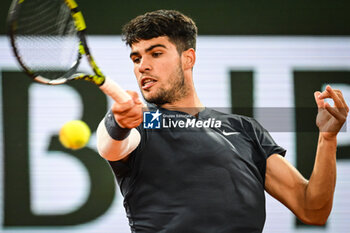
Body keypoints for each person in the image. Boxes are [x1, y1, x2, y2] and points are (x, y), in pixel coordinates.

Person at [96, 9, 349, 233]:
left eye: (156, 53)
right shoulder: (143, 121)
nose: (143, 66)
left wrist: (327, 138)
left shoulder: (245, 129)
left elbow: (313, 209)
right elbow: (110, 145)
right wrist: (118, 122)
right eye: (137, 58)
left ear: (188, 58)